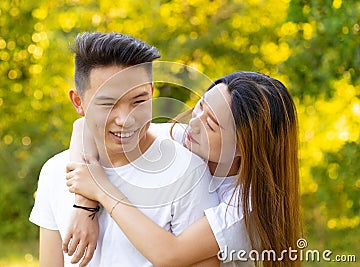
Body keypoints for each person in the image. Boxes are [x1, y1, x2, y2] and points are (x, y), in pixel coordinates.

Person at [65, 71, 302, 267]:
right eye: (200, 106)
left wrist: (101, 191)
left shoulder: (243, 209)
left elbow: (170, 254)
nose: (194, 123)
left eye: (210, 124)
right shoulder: (184, 138)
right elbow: (83, 127)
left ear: (243, 146)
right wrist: (83, 207)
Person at [29, 32, 219, 266]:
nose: (125, 119)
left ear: (151, 92)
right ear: (78, 102)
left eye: (138, 101)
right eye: (108, 103)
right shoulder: (54, 171)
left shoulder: (187, 173)